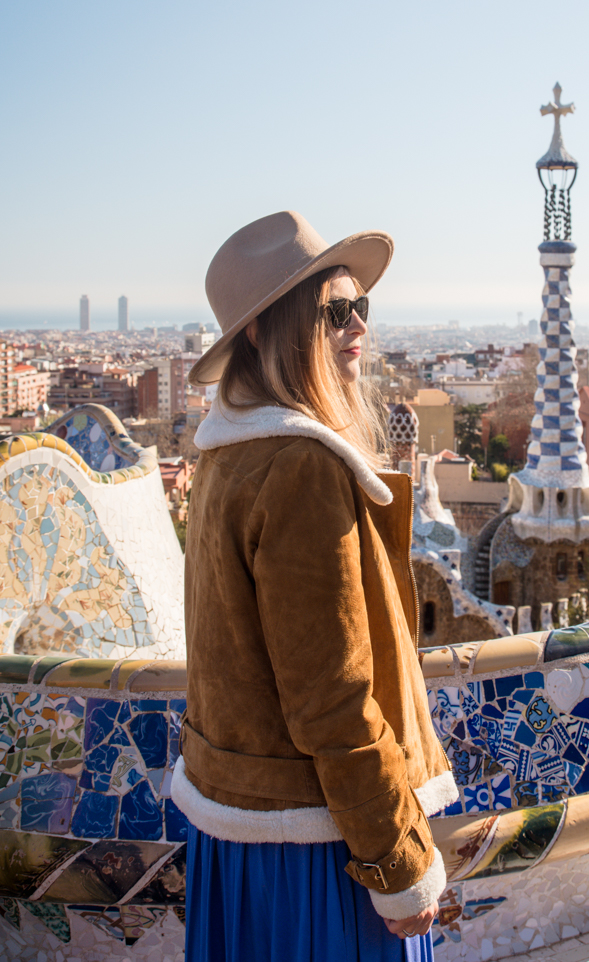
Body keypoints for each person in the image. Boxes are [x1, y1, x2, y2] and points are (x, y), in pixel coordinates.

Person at [172, 211, 459, 962]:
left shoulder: (228, 459)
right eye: (334, 310)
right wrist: (399, 864)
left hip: (247, 833)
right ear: (267, 332)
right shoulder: (299, 468)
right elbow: (332, 702)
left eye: (361, 304)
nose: (357, 323)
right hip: (320, 850)